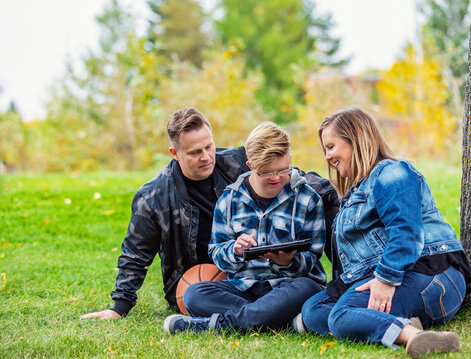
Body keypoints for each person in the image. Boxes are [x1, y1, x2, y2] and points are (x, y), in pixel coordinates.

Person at [80, 109, 338, 320]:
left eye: (209, 147)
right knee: (195, 295)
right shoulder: (154, 196)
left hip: (278, 278)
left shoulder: (237, 161)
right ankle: (275, 316)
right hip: (219, 281)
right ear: (175, 153)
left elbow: (284, 175)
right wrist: (119, 306)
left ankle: (236, 320)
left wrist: (326, 195)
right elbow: (135, 253)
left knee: (305, 288)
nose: (206, 157)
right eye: (194, 152)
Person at [300, 107, 471, 359]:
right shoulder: (357, 191)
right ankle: (402, 322)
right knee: (314, 309)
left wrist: (385, 279)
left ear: (356, 140)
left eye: (331, 146)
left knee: (339, 317)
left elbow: (407, 233)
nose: (327, 156)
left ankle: (412, 337)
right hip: (404, 278)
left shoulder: (392, 172)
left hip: (433, 276)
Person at [164, 122, 327, 334]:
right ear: (250, 166)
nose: (276, 178)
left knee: (309, 288)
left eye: (283, 169)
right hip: (243, 288)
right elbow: (216, 253)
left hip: (290, 285)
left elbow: (312, 258)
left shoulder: (308, 199)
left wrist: (289, 261)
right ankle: (281, 322)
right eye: (267, 173)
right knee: (194, 294)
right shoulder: (229, 200)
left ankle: (218, 325)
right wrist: (235, 250)